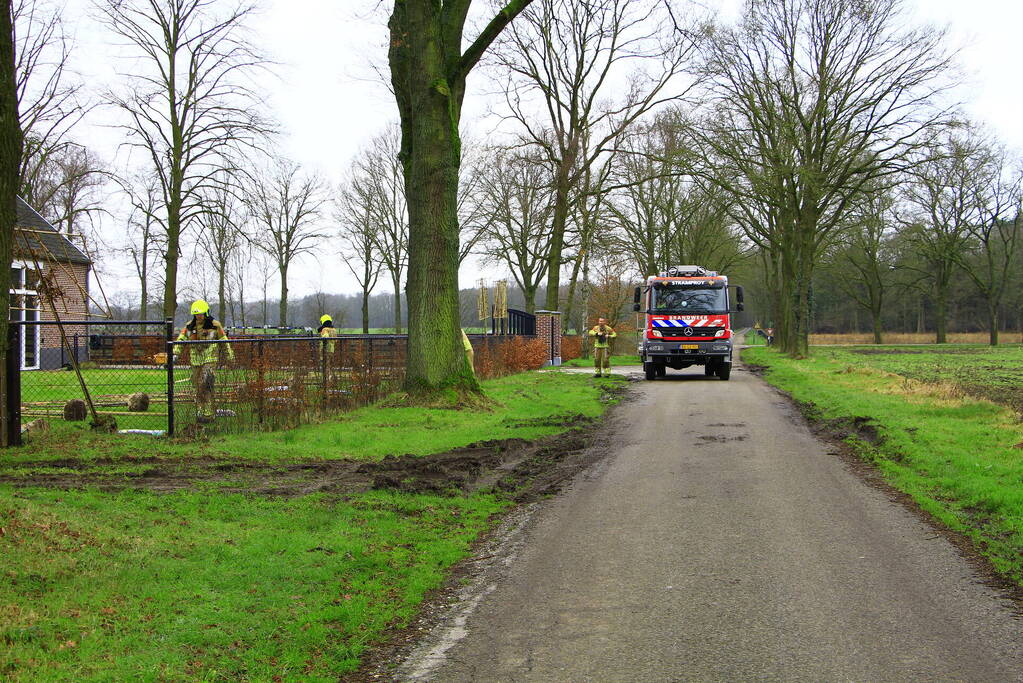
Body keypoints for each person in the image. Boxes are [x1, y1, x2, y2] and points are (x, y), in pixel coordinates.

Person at [173, 299, 234, 423]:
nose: (198, 316)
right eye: (196, 314)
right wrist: (175, 354)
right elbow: (181, 340)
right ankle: (200, 410)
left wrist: (230, 357)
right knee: (197, 385)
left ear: (206, 313)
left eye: (200, 314)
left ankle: (208, 413)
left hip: (210, 359)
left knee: (206, 384)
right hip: (195, 360)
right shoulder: (189, 326)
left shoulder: (215, 325)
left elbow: (224, 341)